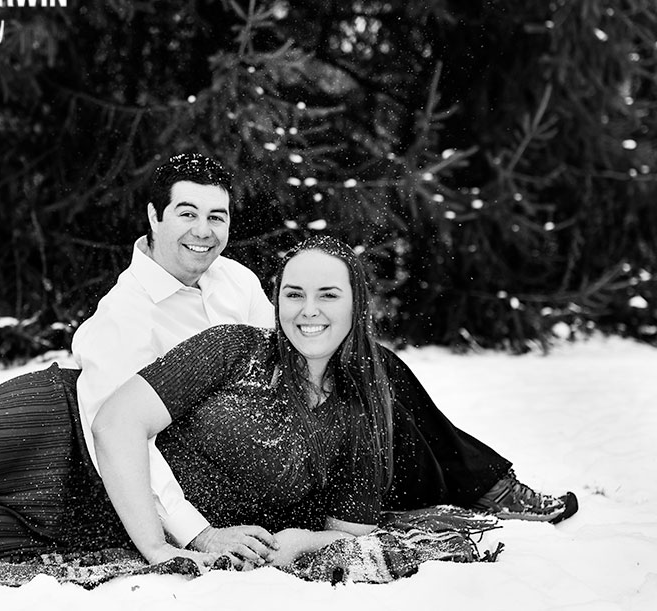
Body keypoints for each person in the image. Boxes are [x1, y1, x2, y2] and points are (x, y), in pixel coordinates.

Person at [70, 153, 576, 558]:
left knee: (374, 367)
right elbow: (117, 436)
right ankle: (458, 489)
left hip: (275, 425)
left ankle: (486, 485)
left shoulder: (233, 278)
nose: (203, 231)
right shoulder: (123, 319)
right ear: (154, 217)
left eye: (216, 216)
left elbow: (293, 347)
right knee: (368, 410)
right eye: (187, 214)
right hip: (213, 468)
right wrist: (191, 533)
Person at [0, 236, 399, 569]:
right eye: (293, 293)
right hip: (60, 430)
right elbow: (115, 422)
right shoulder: (235, 347)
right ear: (276, 301)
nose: (308, 310)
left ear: (357, 306)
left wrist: (307, 542)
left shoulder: (357, 421)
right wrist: (163, 543)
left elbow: (353, 533)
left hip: (83, 519)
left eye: (329, 294)